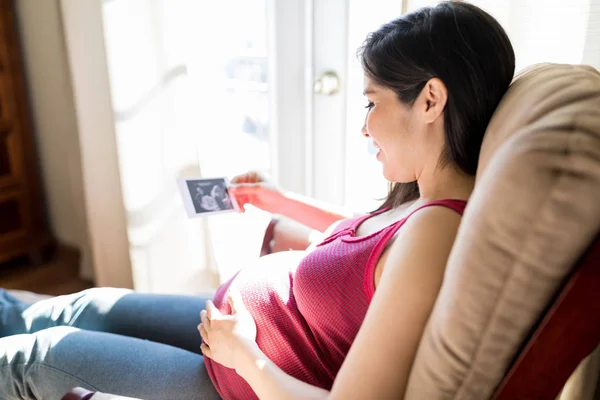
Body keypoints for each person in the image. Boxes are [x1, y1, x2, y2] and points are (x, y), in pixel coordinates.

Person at [0, 2, 515, 399]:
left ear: (430, 99)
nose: (364, 125)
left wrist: (244, 354)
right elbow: (371, 251)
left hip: (237, 379)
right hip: (234, 336)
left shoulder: (436, 232)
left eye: (371, 102)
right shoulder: (425, 203)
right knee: (83, 306)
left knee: (36, 359)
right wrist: (278, 200)